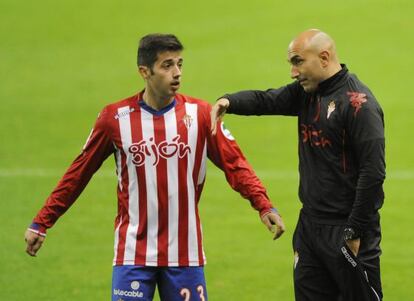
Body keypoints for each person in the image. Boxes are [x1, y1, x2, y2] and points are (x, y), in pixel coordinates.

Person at [24, 34, 285, 301]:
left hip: (185, 253)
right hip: (132, 254)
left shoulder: (202, 116)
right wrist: (42, 222)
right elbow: (78, 173)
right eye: (167, 65)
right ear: (144, 71)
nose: (177, 73)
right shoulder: (114, 119)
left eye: (180, 64)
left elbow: (236, 165)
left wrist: (263, 204)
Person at [211, 29, 385, 301]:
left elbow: (373, 174)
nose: (293, 72)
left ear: (324, 58)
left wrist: (354, 231)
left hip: (347, 230)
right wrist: (229, 101)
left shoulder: (359, 104)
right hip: (310, 228)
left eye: (297, 61)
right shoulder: (306, 93)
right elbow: (267, 99)